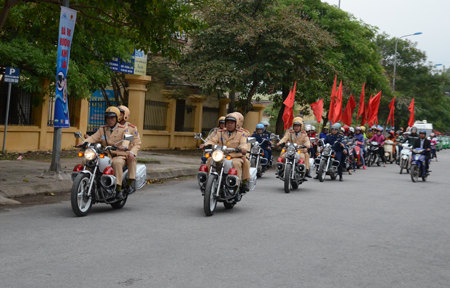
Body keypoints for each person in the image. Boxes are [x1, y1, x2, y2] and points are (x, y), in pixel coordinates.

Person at [82, 106, 131, 199]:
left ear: (117, 118)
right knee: (86, 160)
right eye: (108, 118)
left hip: (118, 154)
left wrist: (124, 146)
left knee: (116, 163)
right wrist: (84, 143)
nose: (110, 120)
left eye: (112, 117)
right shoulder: (103, 129)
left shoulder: (124, 128)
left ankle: (118, 189)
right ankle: (87, 182)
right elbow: (94, 137)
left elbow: (127, 138)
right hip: (105, 153)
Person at [205, 114, 250, 192]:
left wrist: (243, 149)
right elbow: (212, 140)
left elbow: (244, 143)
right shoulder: (220, 133)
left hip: (235, 156)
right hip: (221, 155)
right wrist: (206, 144)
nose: (229, 125)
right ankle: (208, 180)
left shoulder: (241, 133)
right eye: (228, 123)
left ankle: (236, 186)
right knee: (210, 160)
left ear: (236, 124)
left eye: (232, 123)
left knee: (236, 164)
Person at [117, 105, 141, 194]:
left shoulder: (131, 128)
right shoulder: (111, 126)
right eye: (117, 114)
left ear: (125, 115)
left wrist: (132, 152)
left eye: (120, 114)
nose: (118, 116)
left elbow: (136, 143)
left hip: (126, 153)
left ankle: (129, 184)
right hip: (113, 152)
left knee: (131, 160)